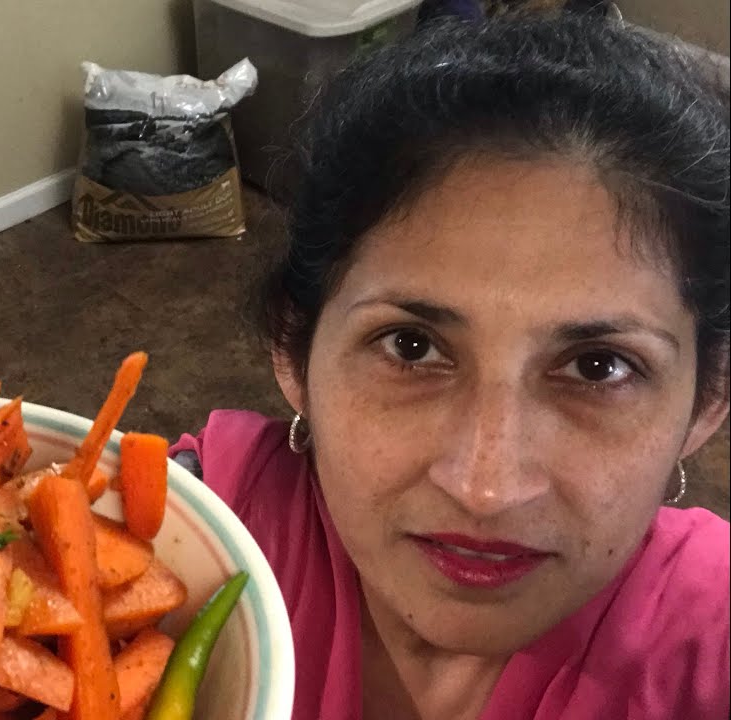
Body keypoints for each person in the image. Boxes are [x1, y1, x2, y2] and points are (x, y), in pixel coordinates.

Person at [172, 15, 730, 720]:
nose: (486, 488)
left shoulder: (710, 640)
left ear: (708, 398)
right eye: (411, 347)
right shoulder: (180, 535)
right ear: (294, 346)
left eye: (597, 366)